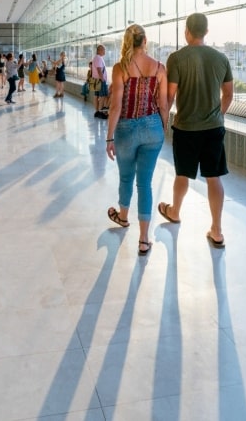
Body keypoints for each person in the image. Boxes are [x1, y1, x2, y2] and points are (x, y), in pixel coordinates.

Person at [157, 13, 233, 249]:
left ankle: (175, 212)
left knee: (182, 174)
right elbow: (229, 94)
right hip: (213, 128)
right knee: (214, 177)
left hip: (186, 127)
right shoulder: (221, 58)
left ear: (187, 31)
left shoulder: (177, 58)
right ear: (206, 32)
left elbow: (169, 96)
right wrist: (218, 115)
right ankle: (217, 230)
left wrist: (162, 121)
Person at [105, 25, 169, 256]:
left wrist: (109, 137)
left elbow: (116, 106)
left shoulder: (120, 68)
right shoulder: (159, 68)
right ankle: (143, 239)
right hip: (152, 128)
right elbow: (163, 105)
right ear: (145, 41)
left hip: (126, 127)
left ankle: (123, 217)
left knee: (125, 177)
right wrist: (163, 127)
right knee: (145, 183)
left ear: (127, 41)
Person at [91, 44, 109, 118]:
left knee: (96, 96)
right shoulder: (98, 58)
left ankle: (97, 111)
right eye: (103, 50)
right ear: (99, 50)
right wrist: (103, 79)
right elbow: (99, 70)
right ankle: (100, 111)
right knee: (102, 96)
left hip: (96, 80)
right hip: (100, 80)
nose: (104, 51)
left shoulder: (96, 58)